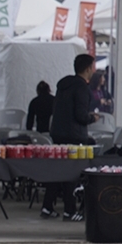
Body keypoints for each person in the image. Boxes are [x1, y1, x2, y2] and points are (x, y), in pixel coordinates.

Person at [44, 53, 101, 221]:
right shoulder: (82, 88)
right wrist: (93, 118)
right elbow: (81, 115)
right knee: (72, 173)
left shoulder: (63, 85)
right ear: (88, 68)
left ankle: (47, 206)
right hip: (74, 136)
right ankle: (70, 210)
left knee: (57, 171)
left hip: (58, 132)